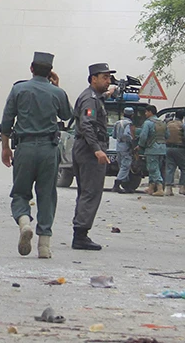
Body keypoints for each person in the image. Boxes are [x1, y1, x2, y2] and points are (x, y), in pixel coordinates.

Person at [0, 51, 71, 259]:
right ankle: (44, 246)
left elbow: (6, 122)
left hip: (25, 147)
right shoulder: (57, 93)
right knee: (47, 195)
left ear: (31, 68)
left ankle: (24, 224)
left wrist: (6, 147)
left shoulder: (18, 89)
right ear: (50, 72)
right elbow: (68, 115)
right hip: (49, 150)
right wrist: (57, 86)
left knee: (20, 192)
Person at [70, 63, 113, 250]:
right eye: (105, 77)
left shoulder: (95, 97)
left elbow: (103, 96)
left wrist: (111, 92)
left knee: (85, 191)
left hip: (84, 147)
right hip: (89, 150)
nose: (108, 81)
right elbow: (87, 124)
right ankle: (80, 235)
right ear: (93, 78)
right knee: (91, 191)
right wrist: (97, 149)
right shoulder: (90, 99)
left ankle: (80, 231)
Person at [134, 105, 168, 196]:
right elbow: (167, 135)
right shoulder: (162, 122)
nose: (145, 114)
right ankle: (151, 188)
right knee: (157, 168)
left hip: (152, 149)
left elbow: (143, 136)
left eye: (146, 112)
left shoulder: (148, 123)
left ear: (150, 112)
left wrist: (140, 146)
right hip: (162, 149)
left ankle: (160, 188)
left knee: (153, 168)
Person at [163, 112, 185, 196]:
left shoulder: (168, 124)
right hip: (180, 149)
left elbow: (164, 136)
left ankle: (168, 189)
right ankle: (182, 188)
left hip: (168, 148)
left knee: (170, 168)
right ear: (183, 117)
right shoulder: (182, 125)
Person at [111, 107, 135, 193]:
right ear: (132, 115)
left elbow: (113, 135)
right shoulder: (129, 124)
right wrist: (132, 143)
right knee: (126, 166)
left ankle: (126, 185)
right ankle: (116, 184)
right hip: (126, 147)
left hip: (118, 146)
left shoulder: (118, 123)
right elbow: (127, 135)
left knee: (122, 166)